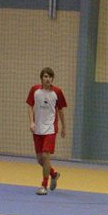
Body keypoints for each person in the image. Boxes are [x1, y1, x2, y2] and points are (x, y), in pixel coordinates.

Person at [26, 67, 67, 195]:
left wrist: (64, 127)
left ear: (52, 78)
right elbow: (30, 105)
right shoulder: (35, 90)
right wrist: (31, 122)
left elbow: (61, 110)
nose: (47, 79)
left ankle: (44, 185)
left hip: (50, 129)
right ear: (41, 78)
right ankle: (54, 174)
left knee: (45, 156)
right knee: (40, 160)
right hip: (37, 129)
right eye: (45, 76)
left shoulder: (57, 92)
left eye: (49, 77)